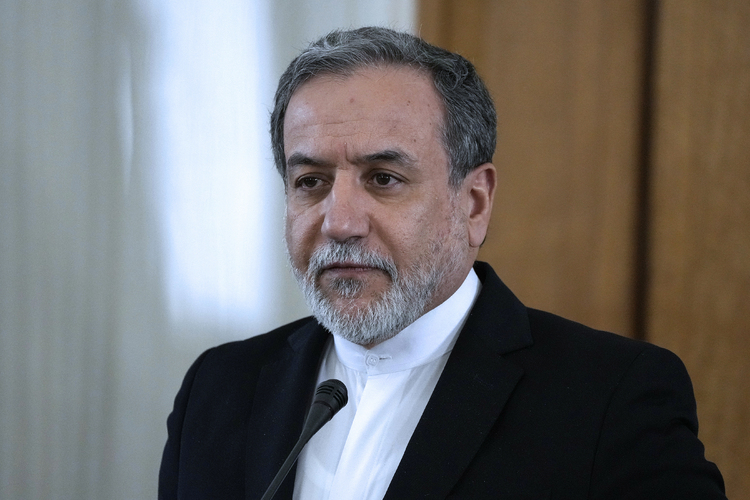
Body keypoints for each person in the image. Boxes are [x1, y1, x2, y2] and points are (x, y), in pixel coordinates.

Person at [158, 27, 726, 500]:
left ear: (473, 204)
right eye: (311, 181)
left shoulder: (610, 399)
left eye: (384, 179)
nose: (340, 221)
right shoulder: (219, 387)